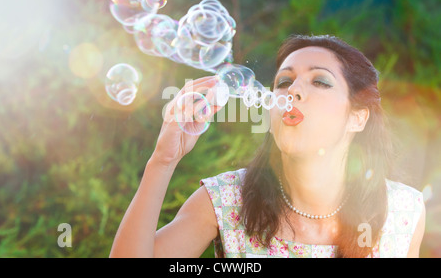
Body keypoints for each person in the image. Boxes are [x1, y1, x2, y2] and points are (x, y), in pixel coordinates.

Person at [109, 34, 425, 258]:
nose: (293, 91)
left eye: (320, 81)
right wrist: (163, 161)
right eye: (284, 82)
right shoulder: (226, 201)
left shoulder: (402, 211)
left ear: (357, 118)